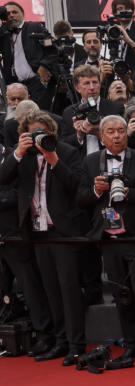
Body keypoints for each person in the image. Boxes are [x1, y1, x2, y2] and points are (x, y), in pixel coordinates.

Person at [0, 110, 87, 364]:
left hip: (63, 233)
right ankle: (60, 341)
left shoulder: (67, 152)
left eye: (43, 132)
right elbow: (2, 178)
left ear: (52, 133)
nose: (39, 137)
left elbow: (76, 186)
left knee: (69, 291)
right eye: (33, 132)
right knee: (51, 290)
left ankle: (76, 344)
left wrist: (53, 159)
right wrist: (17, 152)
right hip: (36, 233)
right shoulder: (23, 158)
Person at [77, 114, 135, 368]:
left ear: (127, 133)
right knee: (121, 296)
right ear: (101, 137)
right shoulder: (90, 162)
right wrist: (96, 191)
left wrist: (130, 193)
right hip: (108, 239)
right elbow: (80, 199)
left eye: (120, 131)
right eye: (110, 131)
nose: (116, 136)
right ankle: (131, 345)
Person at [0, 139, 56, 358]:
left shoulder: (15, 154)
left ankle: (44, 333)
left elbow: (22, 193)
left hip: (15, 233)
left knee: (30, 286)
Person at [0, 2, 56, 110]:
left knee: (40, 115)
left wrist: (44, 66)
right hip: (16, 86)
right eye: (8, 13)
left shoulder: (34, 27)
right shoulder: (4, 34)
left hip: (37, 82)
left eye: (15, 12)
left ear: (23, 14)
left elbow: (52, 48)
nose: (11, 15)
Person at [61, 64, 126, 154]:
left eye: (95, 82)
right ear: (77, 88)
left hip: (109, 161)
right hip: (81, 164)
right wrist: (79, 135)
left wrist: (99, 132)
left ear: (100, 84)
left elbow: (124, 140)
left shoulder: (115, 108)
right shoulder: (69, 112)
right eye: (86, 83)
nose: (92, 88)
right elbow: (64, 146)